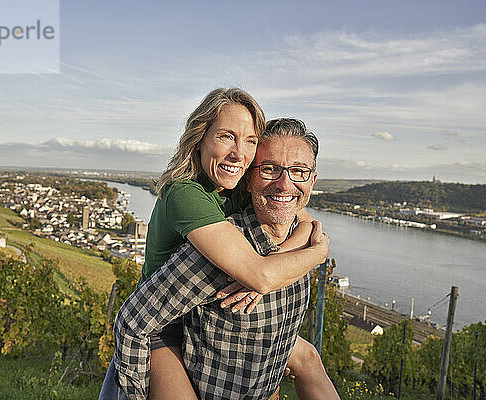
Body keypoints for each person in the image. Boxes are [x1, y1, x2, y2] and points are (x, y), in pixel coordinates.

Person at [100, 88, 335, 399]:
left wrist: (276, 261)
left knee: (308, 360)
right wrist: (318, 253)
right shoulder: (186, 195)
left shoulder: (237, 184)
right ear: (200, 138)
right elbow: (259, 273)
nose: (238, 152)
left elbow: (299, 216)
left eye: (250, 140)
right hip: (165, 323)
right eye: (227, 136)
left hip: (207, 313)